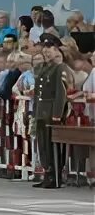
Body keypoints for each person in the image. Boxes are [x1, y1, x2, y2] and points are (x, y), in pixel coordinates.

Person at [32, 33, 69, 188]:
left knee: (51, 144)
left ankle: (55, 176)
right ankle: (47, 173)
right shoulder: (42, 68)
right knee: (42, 144)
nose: (46, 51)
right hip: (41, 111)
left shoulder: (60, 68)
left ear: (57, 50)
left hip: (51, 112)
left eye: (50, 48)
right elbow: (37, 92)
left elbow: (61, 93)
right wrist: (35, 112)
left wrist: (57, 114)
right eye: (45, 49)